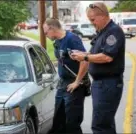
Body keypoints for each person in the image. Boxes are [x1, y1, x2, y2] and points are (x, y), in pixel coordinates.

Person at [70, 2, 125, 134]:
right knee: (106, 123)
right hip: (101, 84)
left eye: (93, 20)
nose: (92, 23)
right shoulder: (102, 32)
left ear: (103, 16)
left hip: (108, 84)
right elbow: (95, 54)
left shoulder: (113, 31)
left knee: (100, 125)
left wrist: (85, 58)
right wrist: (82, 54)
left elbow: (107, 57)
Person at [43, 18, 89, 134]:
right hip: (63, 84)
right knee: (59, 121)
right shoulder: (57, 42)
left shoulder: (71, 39)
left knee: (72, 123)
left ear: (52, 28)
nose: (45, 35)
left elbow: (85, 60)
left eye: (45, 32)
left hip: (74, 84)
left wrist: (77, 82)